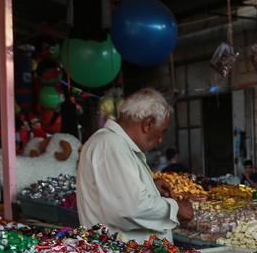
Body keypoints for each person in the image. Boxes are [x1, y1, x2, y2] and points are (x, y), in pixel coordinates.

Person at [77, 88, 194, 243]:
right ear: (148, 124)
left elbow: (118, 196)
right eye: (162, 132)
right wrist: (176, 208)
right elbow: (131, 208)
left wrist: (149, 187)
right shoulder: (111, 145)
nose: (160, 140)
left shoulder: (114, 144)